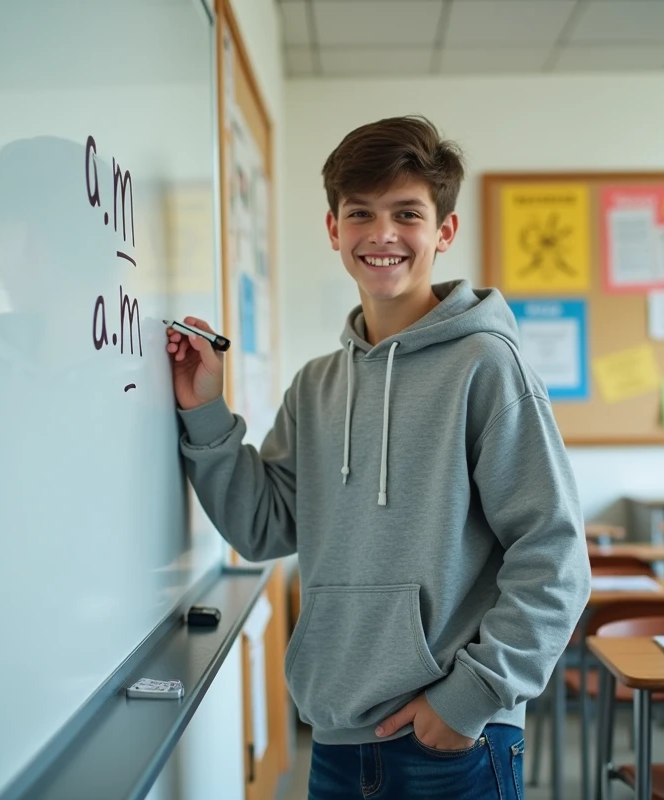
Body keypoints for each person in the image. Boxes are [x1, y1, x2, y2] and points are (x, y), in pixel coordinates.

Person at [167, 116, 590, 799]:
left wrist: (469, 700)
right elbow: (263, 527)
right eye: (360, 212)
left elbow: (555, 555)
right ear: (334, 229)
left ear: (443, 232)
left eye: (407, 214)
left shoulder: (487, 365)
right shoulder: (316, 385)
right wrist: (205, 413)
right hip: (336, 738)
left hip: (456, 741)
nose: (382, 233)